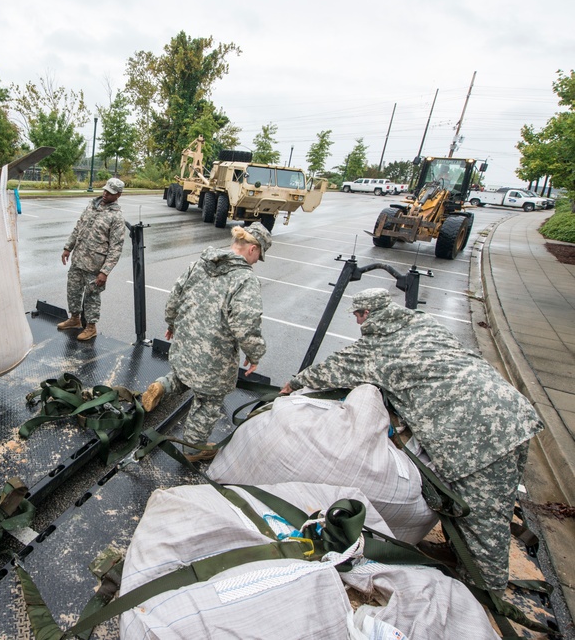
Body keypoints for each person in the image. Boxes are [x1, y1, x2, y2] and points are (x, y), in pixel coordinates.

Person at [280, 287, 543, 592]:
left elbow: (334, 369)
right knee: (490, 504)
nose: (356, 322)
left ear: (367, 314)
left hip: (480, 436)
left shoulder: (379, 350)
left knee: (484, 521)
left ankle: (484, 594)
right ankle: (465, 559)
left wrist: (294, 384)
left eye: (357, 316)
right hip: (511, 410)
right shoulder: (421, 324)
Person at [141, 223, 271, 462]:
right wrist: (255, 354)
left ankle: (161, 386)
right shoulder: (244, 279)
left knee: (183, 374)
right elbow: (245, 325)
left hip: (186, 340)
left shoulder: (200, 263)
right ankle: (192, 449)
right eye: (258, 256)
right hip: (214, 354)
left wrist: (171, 324)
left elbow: (175, 297)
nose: (255, 262)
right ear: (253, 249)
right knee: (208, 400)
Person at [57, 177, 126, 342]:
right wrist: (68, 248)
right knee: (73, 290)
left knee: (91, 296)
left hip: (95, 265)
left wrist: (105, 271)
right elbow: (78, 227)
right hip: (78, 258)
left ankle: (91, 327)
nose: (105, 194)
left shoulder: (116, 218)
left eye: (110, 193)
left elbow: (116, 248)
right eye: (105, 190)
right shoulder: (91, 207)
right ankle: (74, 319)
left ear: (118, 195)